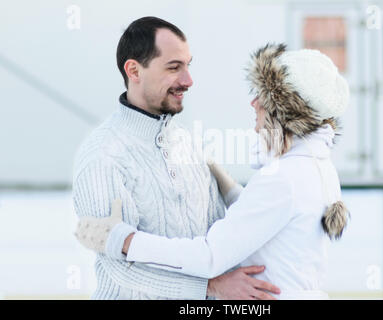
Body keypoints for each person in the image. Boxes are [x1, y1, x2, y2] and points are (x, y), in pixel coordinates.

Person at [76, 43, 351, 299]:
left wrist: (125, 240)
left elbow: (209, 256)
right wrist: (226, 185)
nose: (253, 104)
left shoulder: (283, 179)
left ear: (286, 113)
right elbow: (269, 220)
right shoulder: (316, 167)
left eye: (263, 98)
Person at [72, 16, 280, 300]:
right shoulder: (103, 154)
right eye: (174, 68)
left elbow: (219, 236)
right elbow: (119, 267)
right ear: (134, 70)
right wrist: (210, 287)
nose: (188, 80)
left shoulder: (189, 142)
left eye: (188, 66)